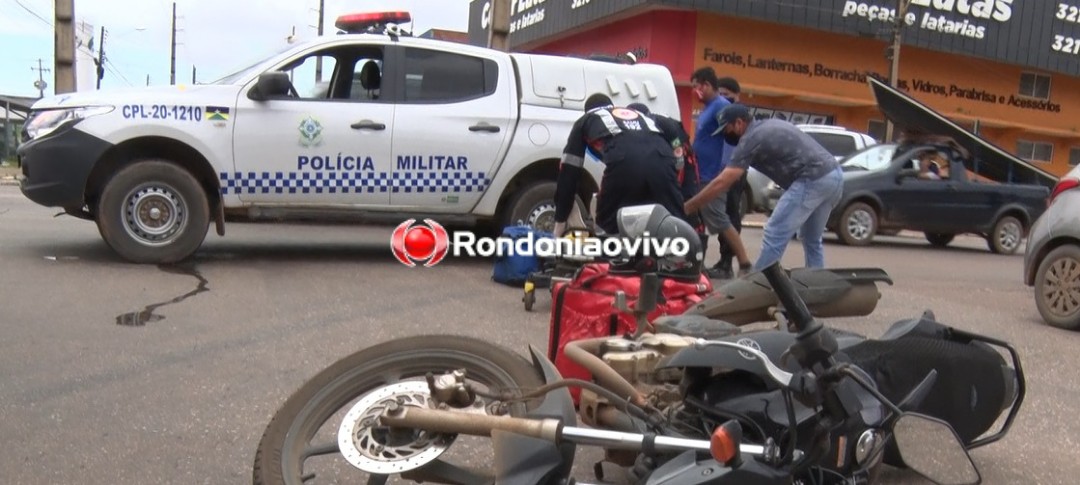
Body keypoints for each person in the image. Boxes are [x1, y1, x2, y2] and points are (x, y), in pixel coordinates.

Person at [684, 103, 843, 271]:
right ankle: (816, 283)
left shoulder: (751, 138)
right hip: (834, 176)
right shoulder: (766, 126)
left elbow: (723, 181)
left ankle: (761, 283)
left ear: (739, 123)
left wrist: (690, 206)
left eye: (726, 128)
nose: (725, 134)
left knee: (775, 231)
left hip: (813, 179)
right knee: (811, 238)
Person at [553, 93, 686, 238]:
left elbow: (569, 172)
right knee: (673, 224)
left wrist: (560, 221)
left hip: (625, 161)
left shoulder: (585, 121)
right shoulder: (636, 114)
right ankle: (678, 256)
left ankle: (615, 256)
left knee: (609, 227)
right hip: (663, 160)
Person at [689, 67, 753, 278]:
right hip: (701, 173)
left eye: (697, 86)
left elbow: (732, 139)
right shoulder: (709, 107)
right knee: (699, 219)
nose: (695, 91)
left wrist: (724, 172)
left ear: (707, 85)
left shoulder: (721, 107)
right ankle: (696, 264)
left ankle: (743, 262)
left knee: (720, 219)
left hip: (713, 175)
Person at [626, 102, 704, 235]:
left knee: (685, 198)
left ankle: (695, 236)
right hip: (664, 161)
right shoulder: (634, 127)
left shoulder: (667, 126)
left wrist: (675, 184)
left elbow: (680, 157)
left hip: (684, 159)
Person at [713, 76, 750, 278]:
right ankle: (723, 261)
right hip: (721, 170)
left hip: (735, 172)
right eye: (721, 95)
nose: (724, 99)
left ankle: (727, 262)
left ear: (737, 96)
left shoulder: (740, 120)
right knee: (721, 215)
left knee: (729, 215)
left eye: (728, 96)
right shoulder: (723, 117)